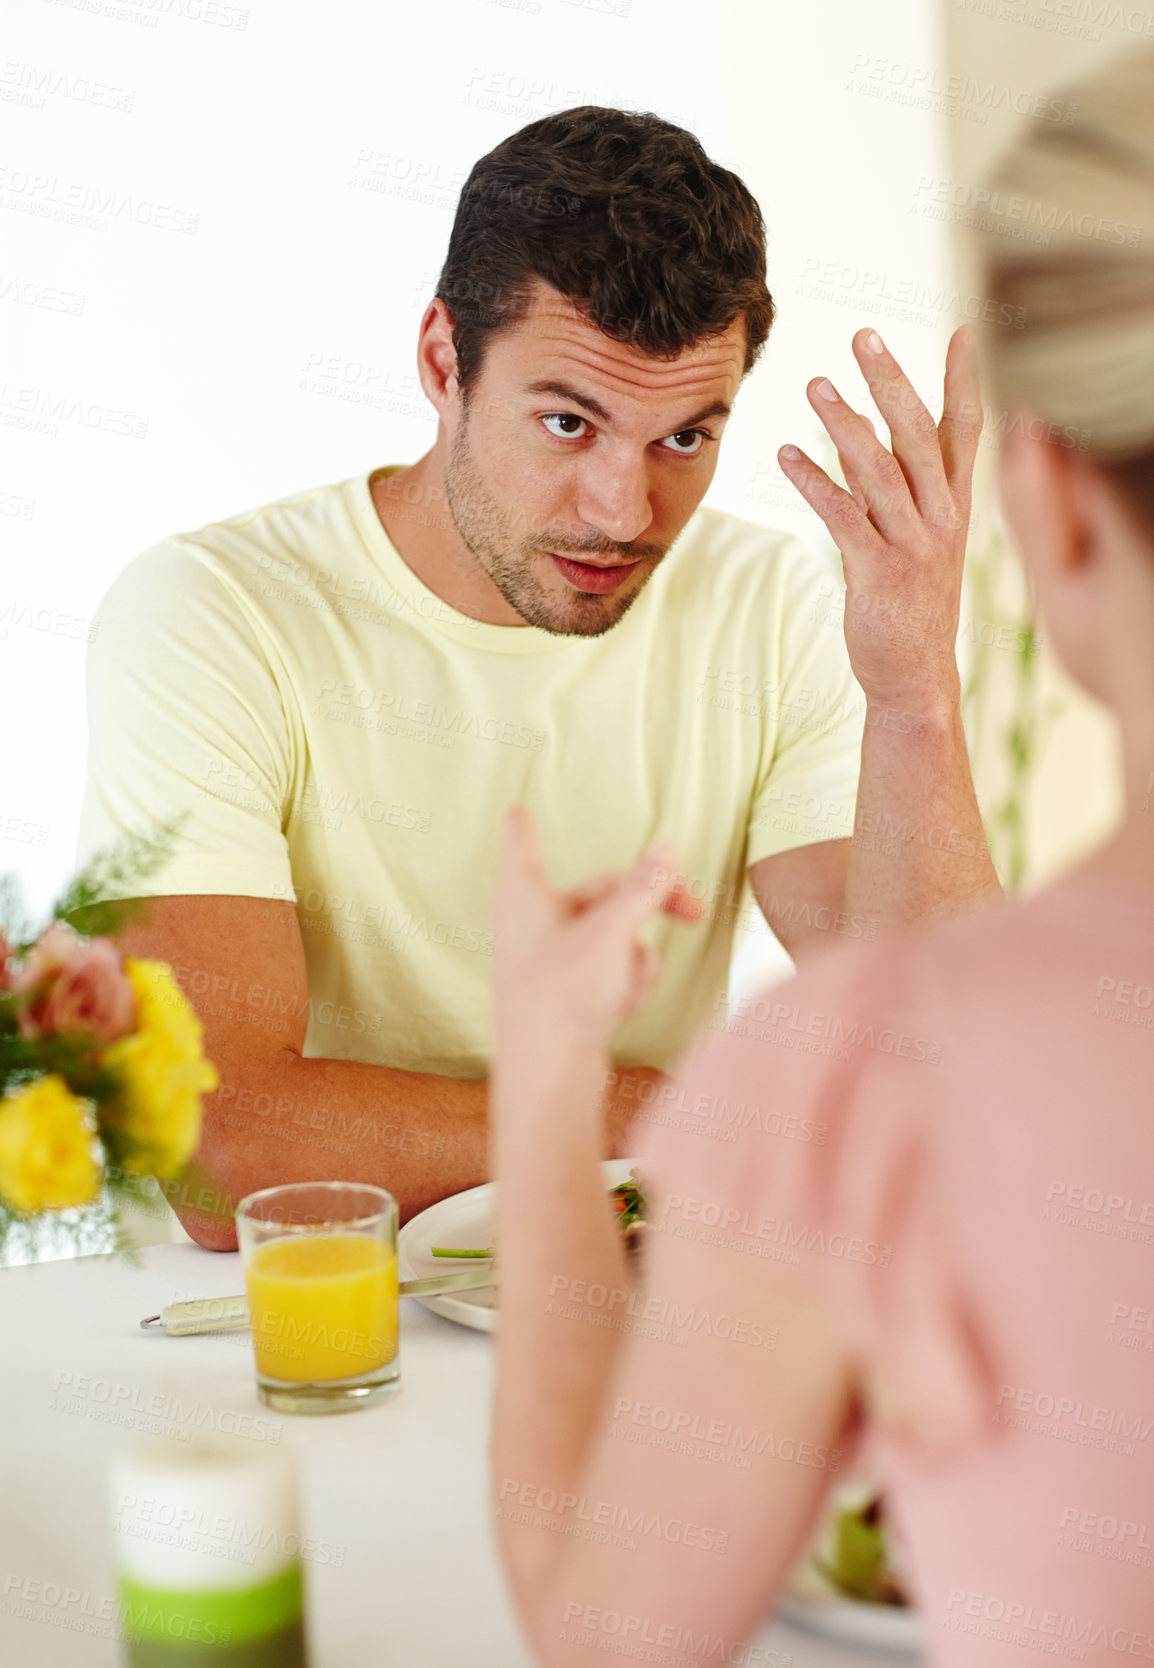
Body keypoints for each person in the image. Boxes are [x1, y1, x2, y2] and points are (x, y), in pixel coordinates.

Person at [488, 48, 1154, 1663]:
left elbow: (603, 1635)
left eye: (682, 435)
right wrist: (907, 688)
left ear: (1047, 502)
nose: (621, 500)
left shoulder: (870, 1080)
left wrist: (546, 1068)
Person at [78, 107, 998, 1247]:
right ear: (440, 360)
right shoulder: (213, 615)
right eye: (569, 421)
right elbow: (223, 1153)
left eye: (683, 439)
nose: (621, 512)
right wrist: (654, 1110)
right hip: (288, 1331)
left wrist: (914, 695)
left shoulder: (769, 607)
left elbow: (950, 1070)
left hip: (621, 1307)